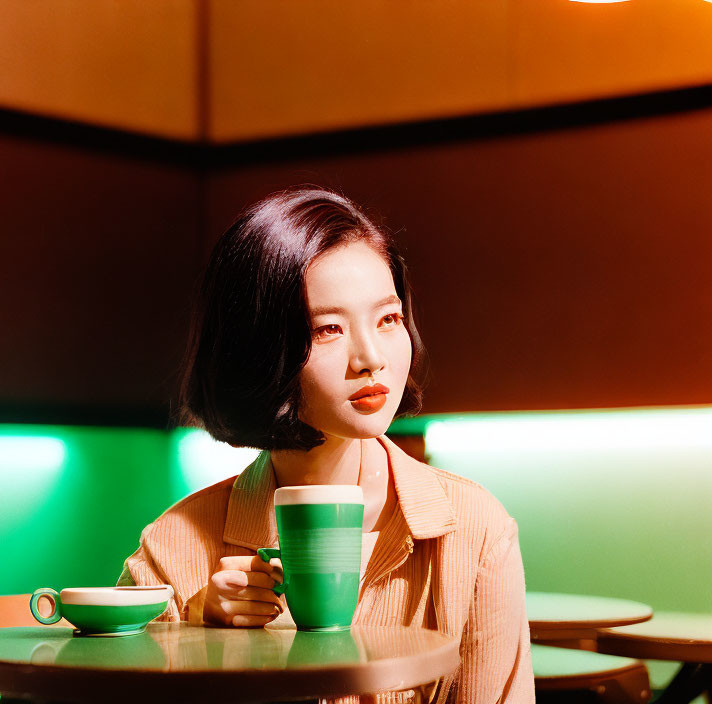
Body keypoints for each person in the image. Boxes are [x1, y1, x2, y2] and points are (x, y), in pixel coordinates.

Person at [117, 185, 534, 703]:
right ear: (258, 350)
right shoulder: (174, 549)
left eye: (388, 319)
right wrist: (195, 636)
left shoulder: (475, 531)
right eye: (328, 329)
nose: (371, 357)